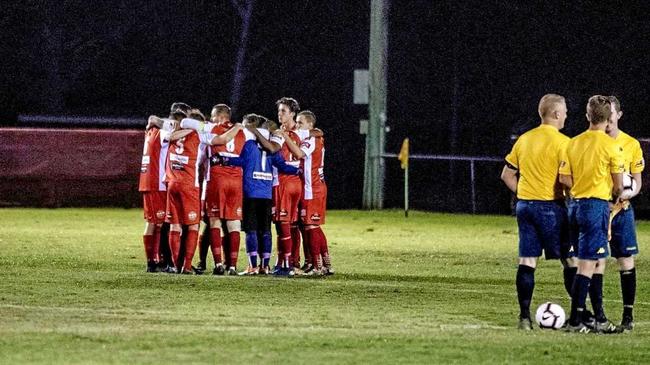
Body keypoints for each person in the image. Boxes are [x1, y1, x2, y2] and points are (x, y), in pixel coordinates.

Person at [500, 94, 574, 330]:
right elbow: (567, 180)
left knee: (527, 260)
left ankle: (524, 318)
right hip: (552, 206)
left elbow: (506, 175)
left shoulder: (524, 139)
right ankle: (579, 313)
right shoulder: (564, 143)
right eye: (564, 112)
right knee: (570, 259)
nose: (566, 116)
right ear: (555, 114)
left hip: (525, 207)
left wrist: (522, 194)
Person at [559, 95, 624, 333]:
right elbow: (618, 186)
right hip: (595, 207)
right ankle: (576, 321)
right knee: (587, 265)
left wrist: (578, 189)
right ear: (608, 120)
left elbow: (564, 178)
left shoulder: (572, 143)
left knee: (595, 262)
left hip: (574, 206)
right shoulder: (611, 146)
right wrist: (613, 198)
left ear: (587, 116)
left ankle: (599, 318)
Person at [216, 115, 300, 275]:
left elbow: (240, 161)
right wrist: (296, 170)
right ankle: (265, 266)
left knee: (251, 230)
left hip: (251, 192)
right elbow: (282, 165)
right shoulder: (272, 149)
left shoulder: (249, 145)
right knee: (266, 231)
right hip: (267, 194)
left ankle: (252, 266)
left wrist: (223, 159)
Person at [194, 104, 246, 276]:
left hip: (216, 179)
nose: (211, 119)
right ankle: (232, 265)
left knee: (213, 221)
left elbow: (189, 124)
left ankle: (217, 264)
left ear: (220, 116)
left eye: (213, 116)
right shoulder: (243, 131)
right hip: (236, 180)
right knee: (233, 224)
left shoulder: (211, 128)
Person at [606, 96, 643, 332]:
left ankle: (627, 317)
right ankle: (593, 315)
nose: (608, 120)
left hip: (622, 211)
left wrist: (629, 194)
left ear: (619, 115)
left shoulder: (631, 144)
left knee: (626, 262)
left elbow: (637, 182)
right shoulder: (592, 142)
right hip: (597, 211)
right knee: (590, 262)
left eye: (611, 115)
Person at [281, 110, 332, 275]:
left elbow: (299, 153)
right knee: (313, 226)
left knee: (311, 226)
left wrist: (284, 136)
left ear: (310, 125)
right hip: (315, 187)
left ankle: (318, 267)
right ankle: (326, 264)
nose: (298, 125)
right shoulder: (314, 137)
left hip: (313, 189)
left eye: (300, 122)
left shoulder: (312, 139)